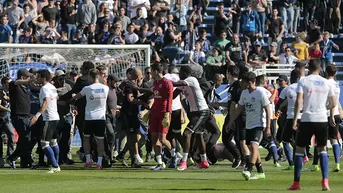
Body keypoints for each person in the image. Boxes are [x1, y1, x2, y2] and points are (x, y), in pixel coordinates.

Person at [288, 59, 336, 191]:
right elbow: (333, 103)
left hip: (307, 118)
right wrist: (323, 106)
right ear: (320, 68)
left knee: (299, 150)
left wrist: (294, 119)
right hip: (321, 119)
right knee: (322, 150)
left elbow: (299, 100)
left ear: (308, 68)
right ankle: (325, 181)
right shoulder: (327, 83)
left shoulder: (303, 81)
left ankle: (296, 183)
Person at [229, 71, 271, 180]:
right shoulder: (244, 93)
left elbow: (268, 109)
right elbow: (239, 109)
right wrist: (231, 120)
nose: (241, 83)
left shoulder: (261, 93)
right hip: (249, 125)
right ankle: (261, 172)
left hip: (259, 124)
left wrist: (268, 127)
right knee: (252, 149)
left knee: (254, 146)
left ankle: (249, 169)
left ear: (250, 82)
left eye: (243, 82)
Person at [173, 65, 210, 170]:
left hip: (201, 111)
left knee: (186, 133)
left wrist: (165, 82)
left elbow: (176, 84)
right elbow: (173, 94)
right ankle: (204, 161)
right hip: (195, 112)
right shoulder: (182, 84)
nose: (178, 74)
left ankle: (184, 162)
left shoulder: (191, 79)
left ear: (184, 73)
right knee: (199, 135)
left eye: (180, 72)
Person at [71, 69, 109, 169]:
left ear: (90, 77)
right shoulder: (105, 88)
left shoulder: (87, 88)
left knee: (86, 138)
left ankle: (88, 160)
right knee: (100, 141)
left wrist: (73, 96)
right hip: (101, 118)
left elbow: (77, 97)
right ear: (99, 76)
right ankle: (99, 162)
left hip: (89, 118)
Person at [30, 69, 61, 173]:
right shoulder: (52, 87)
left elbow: (46, 102)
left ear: (43, 78)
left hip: (48, 118)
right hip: (56, 117)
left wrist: (37, 116)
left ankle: (55, 166)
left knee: (44, 143)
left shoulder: (44, 88)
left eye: (38, 76)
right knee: (53, 142)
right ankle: (56, 164)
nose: (37, 78)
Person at [7, 69, 35, 169]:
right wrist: (28, 81)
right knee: (26, 139)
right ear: (23, 77)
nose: (29, 78)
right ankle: (30, 162)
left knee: (26, 140)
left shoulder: (27, 86)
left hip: (27, 116)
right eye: (27, 76)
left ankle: (12, 157)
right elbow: (15, 82)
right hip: (18, 116)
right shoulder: (14, 85)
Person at [278, 70, 301, 170]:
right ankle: (299, 162)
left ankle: (291, 163)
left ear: (290, 79)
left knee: (285, 140)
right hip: (303, 117)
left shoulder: (287, 89)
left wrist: (279, 108)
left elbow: (283, 99)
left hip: (291, 117)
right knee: (298, 142)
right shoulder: (303, 88)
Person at [0, 77, 15, 167]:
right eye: (8, 83)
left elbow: (6, 98)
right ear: (3, 83)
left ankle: (10, 156)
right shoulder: (0, 91)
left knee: (11, 134)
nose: (10, 85)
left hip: (6, 118)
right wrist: (8, 109)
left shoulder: (8, 92)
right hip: (2, 117)